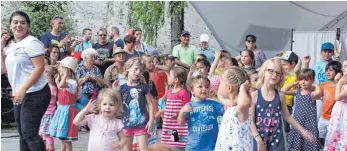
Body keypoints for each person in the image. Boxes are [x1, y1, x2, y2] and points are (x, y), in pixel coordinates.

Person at [2, 11, 51, 151]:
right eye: (15, 22)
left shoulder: (32, 43)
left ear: (28, 26)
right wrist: (1, 48)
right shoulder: (10, 46)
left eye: (23, 23)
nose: (19, 25)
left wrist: (23, 89)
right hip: (20, 94)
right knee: (23, 134)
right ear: (10, 25)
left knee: (29, 133)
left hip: (36, 92)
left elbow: (40, 68)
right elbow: (3, 69)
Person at [251, 58, 314, 150]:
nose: (274, 75)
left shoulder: (280, 95)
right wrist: (259, 140)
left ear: (281, 76)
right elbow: (250, 121)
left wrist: (303, 131)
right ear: (263, 72)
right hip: (259, 139)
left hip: (277, 141)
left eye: (278, 73)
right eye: (271, 71)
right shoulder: (254, 96)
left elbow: (287, 116)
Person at [177, 75, 224, 151]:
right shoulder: (189, 105)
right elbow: (180, 123)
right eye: (200, 86)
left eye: (207, 87)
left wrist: (220, 96)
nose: (204, 89)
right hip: (193, 146)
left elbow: (226, 111)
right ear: (192, 90)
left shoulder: (214, 104)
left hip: (211, 145)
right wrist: (182, 112)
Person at [119, 57, 154, 151]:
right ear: (128, 68)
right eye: (136, 69)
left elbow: (150, 104)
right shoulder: (122, 88)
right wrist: (115, 90)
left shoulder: (144, 87)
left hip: (142, 124)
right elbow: (117, 105)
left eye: (141, 70)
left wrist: (151, 120)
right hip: (126, 125)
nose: (138, 72)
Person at [215, 67, 253, 151]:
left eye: (220, 84)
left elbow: (243, 104)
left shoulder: (241, 109)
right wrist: (220, 98)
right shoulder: (232, 105)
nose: (219, 86)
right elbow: (231, 102)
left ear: (229, 88)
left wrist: (242, 88)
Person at [282, 69, 321, 150]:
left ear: (312, 80)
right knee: (297, 146)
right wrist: (294, 83)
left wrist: (316, 85)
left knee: (309, 146)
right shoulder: (297, 92)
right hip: (298, 123)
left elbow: (319, 93)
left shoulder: (312, 94)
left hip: (309, 124)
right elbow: (283, 91)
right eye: (301, 79)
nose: (303, 82)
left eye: (306, 80)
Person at [49, 57, 80, 151]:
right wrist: (59, 78)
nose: (60, 69)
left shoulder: (72, 82)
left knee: (67, 139)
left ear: (67, 70)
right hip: (62, 110)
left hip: (68, 111)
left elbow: (61, 85)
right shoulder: (66, 81)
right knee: (62, 138)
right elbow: (59, 86)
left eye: (62, 68)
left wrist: (64, 75)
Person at [158, 67, 190, 150]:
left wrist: (179, 113)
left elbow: (188, 107)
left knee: (179, 143)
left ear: (176, 79)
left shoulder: (183, 93)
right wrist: (159, 112)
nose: (168, 77)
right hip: (168, 123)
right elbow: (168, 106)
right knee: (168, 143)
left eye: (170, 76)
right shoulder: (169, 92)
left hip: (178, 124)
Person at [304, 42, 335, 121]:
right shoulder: (316, 65)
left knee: (330, 116)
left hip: (330, 93)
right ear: (321, 53)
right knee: (317, 116)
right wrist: (306, 64)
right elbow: (308, 75)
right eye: (325, 51)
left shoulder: (336, 65)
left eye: (329, 51)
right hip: (319, 93)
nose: (327, 54)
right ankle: (316, 132)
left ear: (333, 53)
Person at [316, 61, 342, 146]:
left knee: (331, 140)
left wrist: (338, 81)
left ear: (337, 72)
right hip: (323, 117)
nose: (327, 72)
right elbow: (317, 96)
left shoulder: (340, 86)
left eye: (330, 70)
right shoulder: (323, 85)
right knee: (320, 137)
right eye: (326, 70)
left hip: (334, 119)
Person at [325, 60, 347, 150]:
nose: (343, 68)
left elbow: (337, 97)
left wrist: (340, 83)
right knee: (335, 134)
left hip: (344, 112)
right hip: (339, 112)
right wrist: (339, 81)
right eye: (343, 66)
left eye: (346, 66)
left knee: (342, 136)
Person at [39, 65, 58, 151]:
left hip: (48, 113)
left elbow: (47, 101)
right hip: (48, 113)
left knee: (47, 134)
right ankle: (48, 148)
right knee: (45, 134)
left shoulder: (51, 88)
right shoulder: (53, 87)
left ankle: (51, 148)